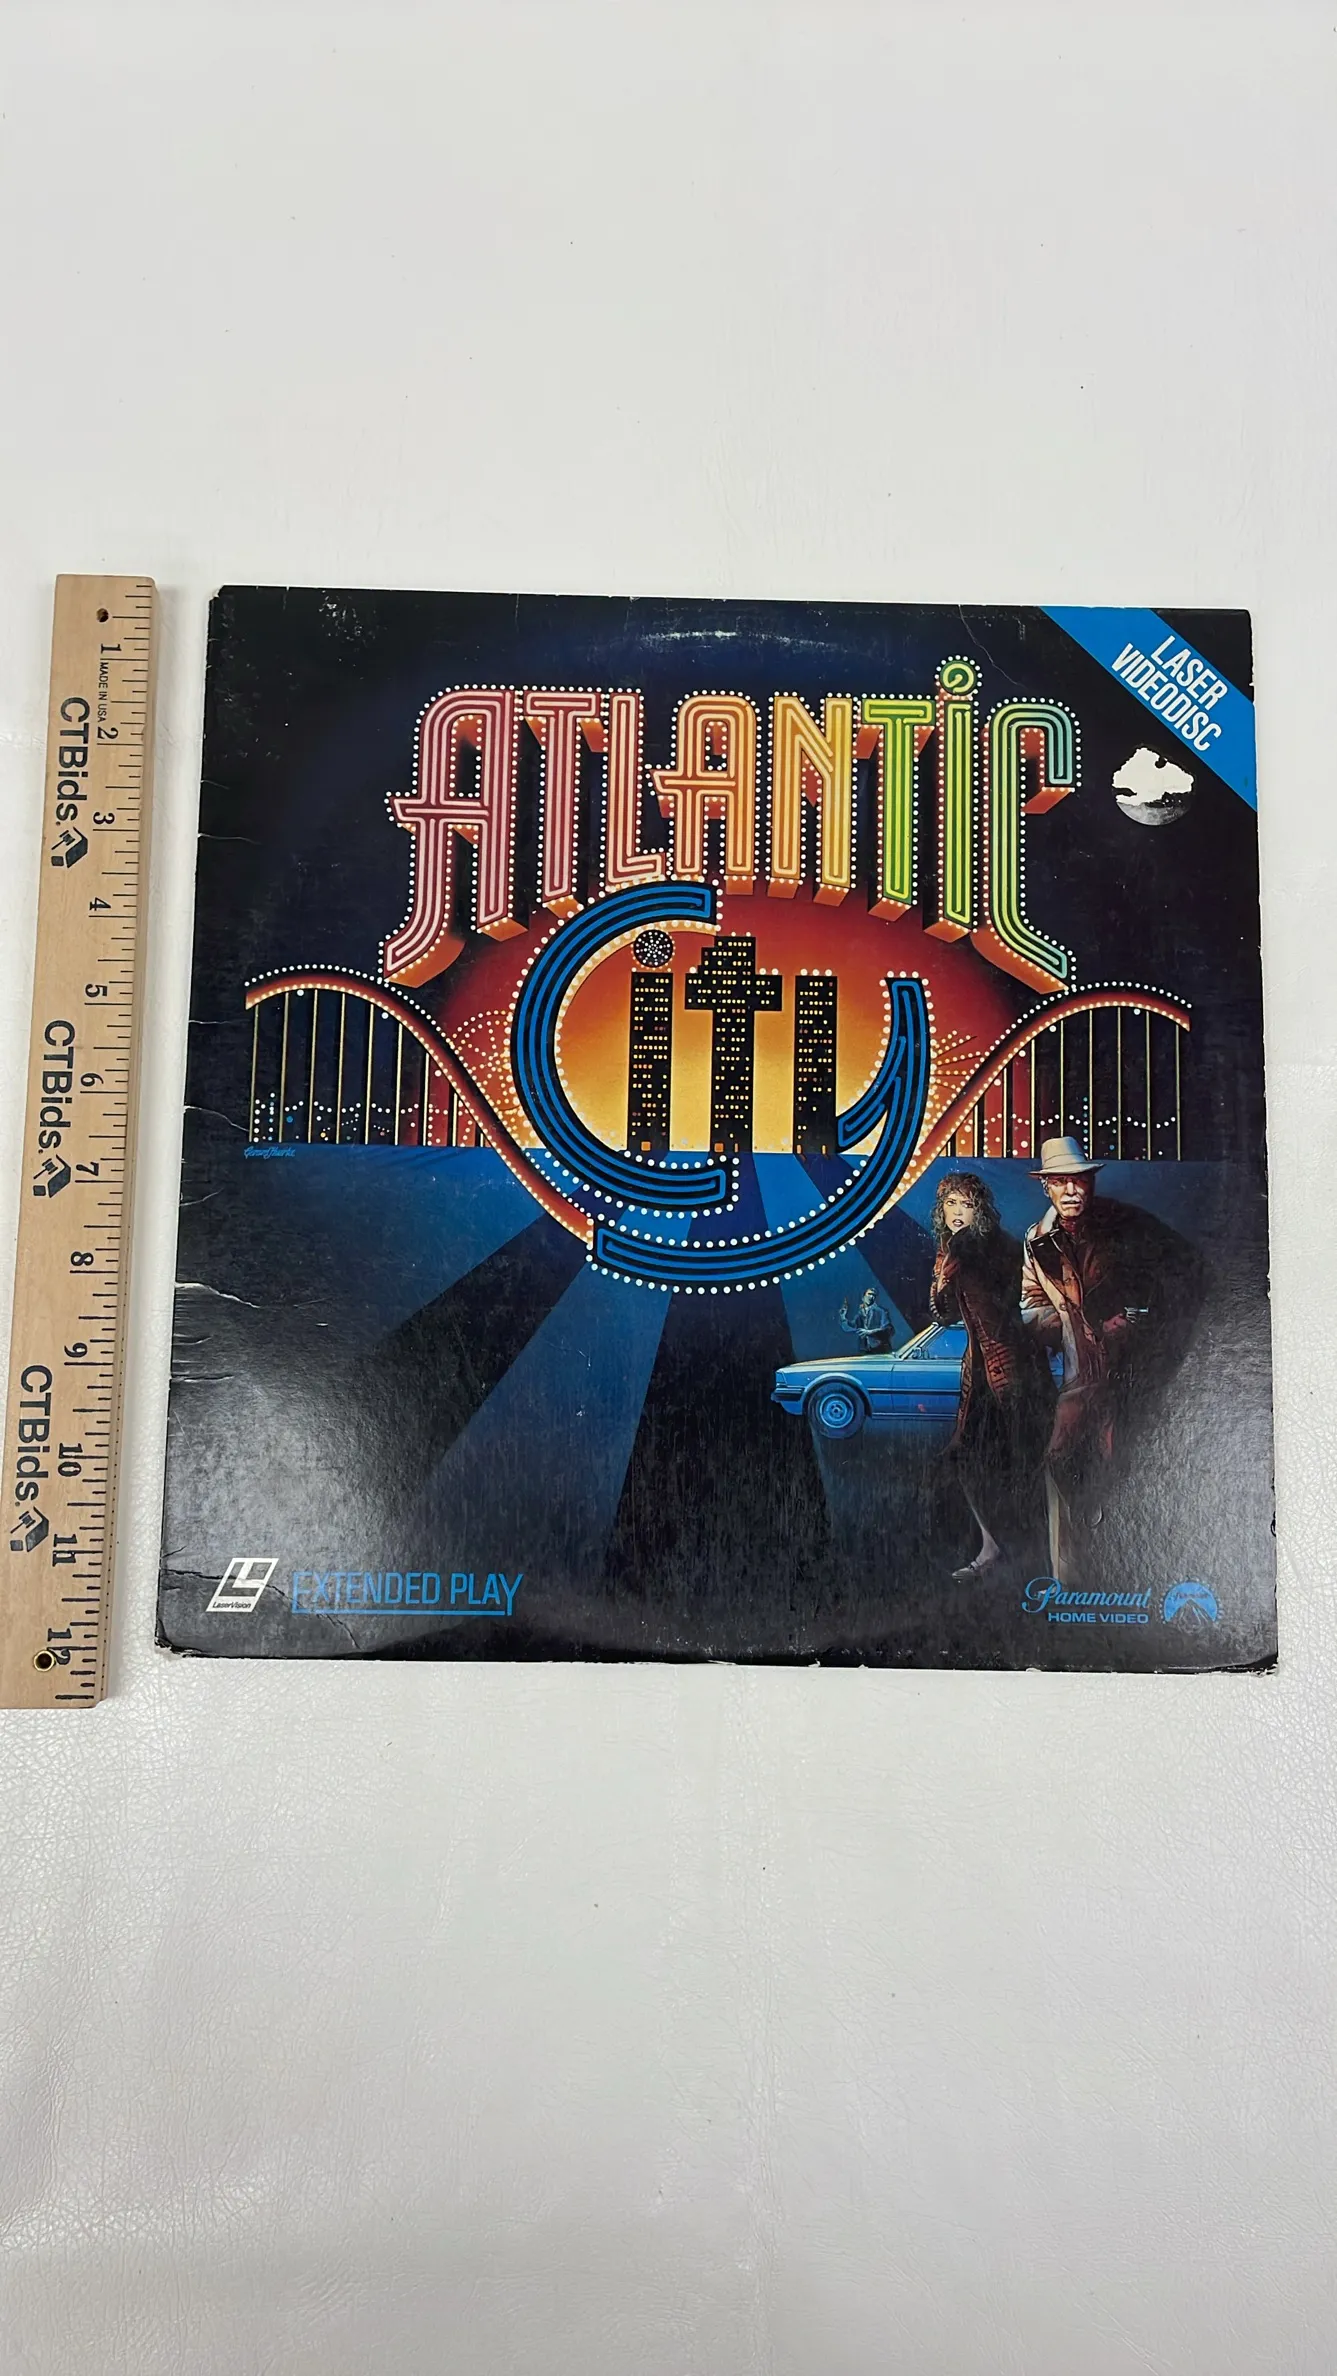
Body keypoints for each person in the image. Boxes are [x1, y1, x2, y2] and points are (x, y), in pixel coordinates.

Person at [1019, 1135, 1204, 1585]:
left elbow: (1189, 1272)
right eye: (1059, 1181)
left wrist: (1142, 1321)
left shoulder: (1129, 1225)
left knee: (1130, 1463)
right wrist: (1066, 1325)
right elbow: (1030, 1303)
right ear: (1046, 1187)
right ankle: (1069, 1579)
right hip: (1079, 1375)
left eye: (1079, 1180)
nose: (1071, 1191)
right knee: (1061, 1462)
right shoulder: (1037, 1240)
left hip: (1136, 1372)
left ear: (1091, 1182)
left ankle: (1135, 1575)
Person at [929, 1171, 1055, 1582]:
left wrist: (948, 1267)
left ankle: (1033, 1557)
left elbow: (996, 1312)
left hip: (1011, 1369)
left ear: (979, 1209)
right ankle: (998, 1548)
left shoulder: (979, 1246)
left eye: (966, 1204)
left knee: (1018, 1460)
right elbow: (946, 1313)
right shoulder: (961, 1247)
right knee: (981, 1459)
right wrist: (943, 1269)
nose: (957, 1212)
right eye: (950, 1203)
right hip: (986, 1371)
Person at [838, 1284, 893, 1352]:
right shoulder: (860, 1313)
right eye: (869, 1294)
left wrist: (869, 1332)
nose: (871, 1297)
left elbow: (888, 1330)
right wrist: (843, 1317)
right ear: (863, 1297)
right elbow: (851, 1327)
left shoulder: (881, 1312)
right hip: (865, 1350)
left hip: (880, 1349)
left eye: (874, 1295)